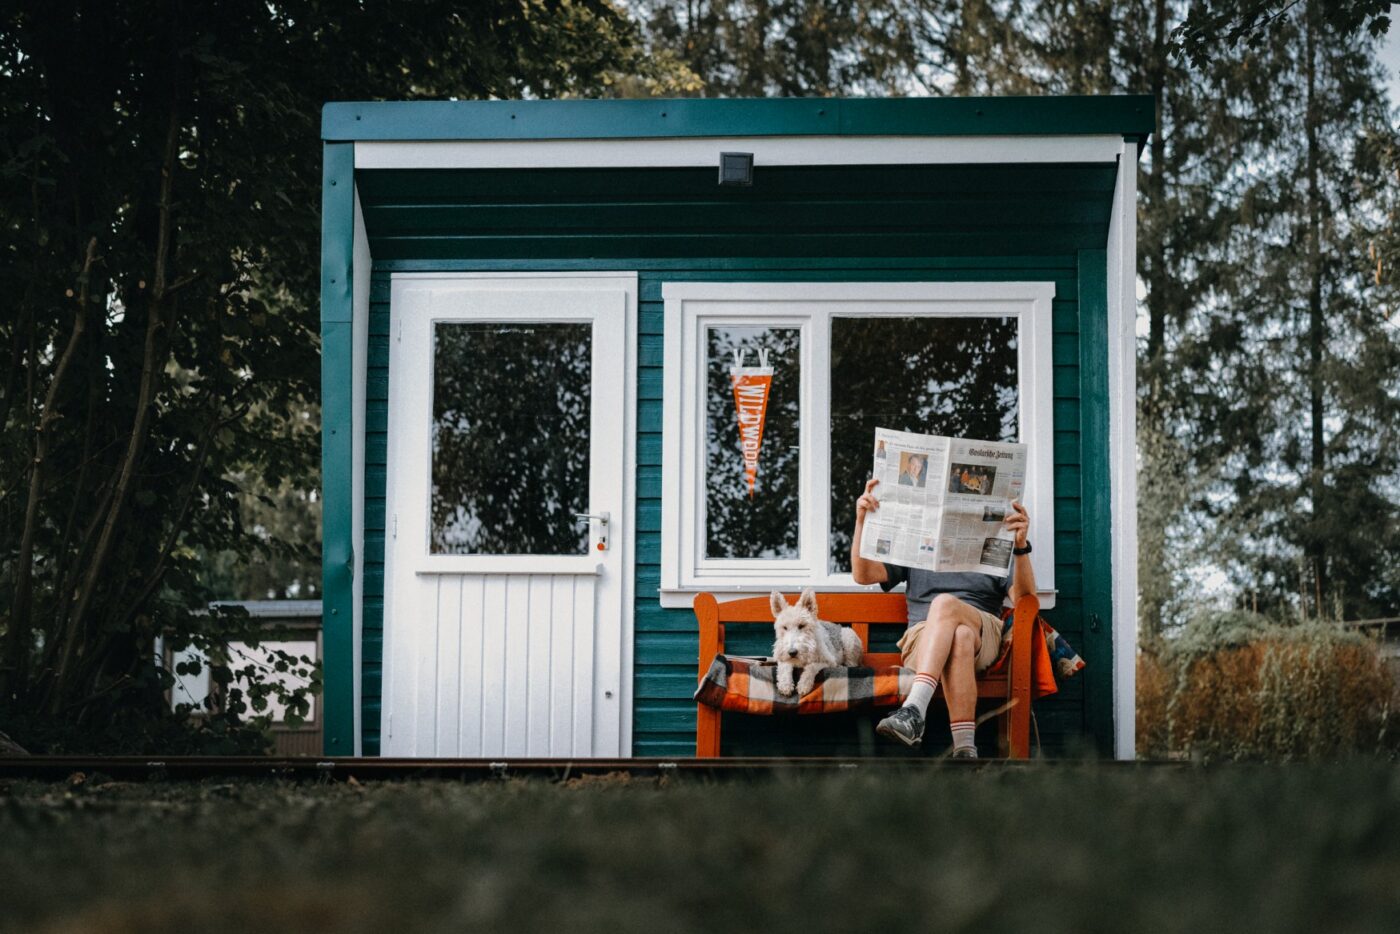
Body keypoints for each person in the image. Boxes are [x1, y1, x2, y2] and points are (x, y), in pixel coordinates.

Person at [850, 477, 1036, 757]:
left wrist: (1020, 547)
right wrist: (861, 520)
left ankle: (914, 708)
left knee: (946, 605)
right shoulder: (917, 541)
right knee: (958, 635)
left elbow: (1025, 599)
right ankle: (965, 751)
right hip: (923, 639)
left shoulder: (997, 540)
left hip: (982, 633)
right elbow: (863, 575)